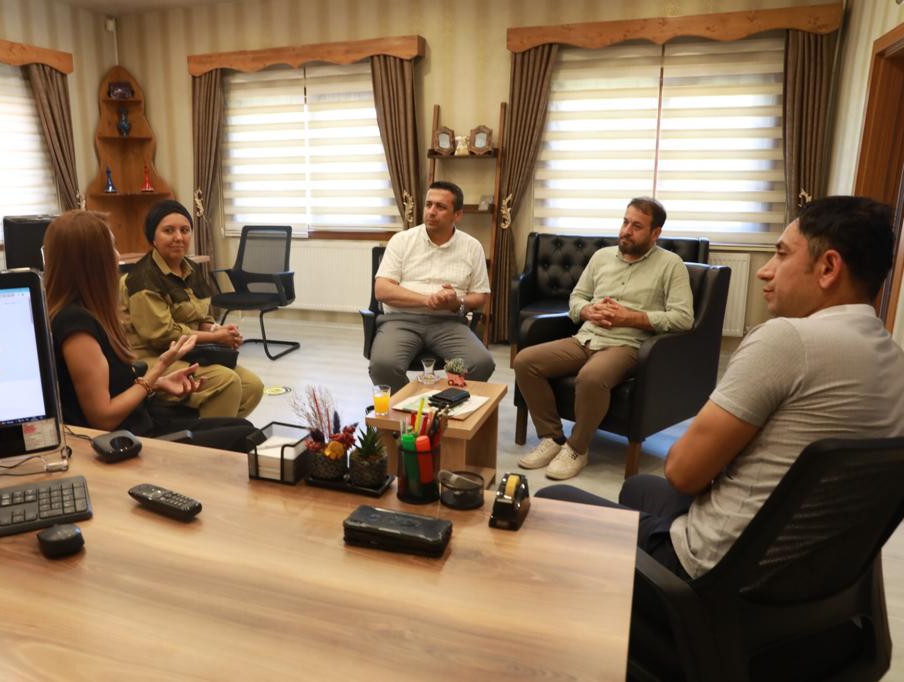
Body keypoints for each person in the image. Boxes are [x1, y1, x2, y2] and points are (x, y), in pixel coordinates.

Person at [537, 195, 904, 580]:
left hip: (713, 571)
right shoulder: (894, 361)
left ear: (828, 268)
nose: (765, 271)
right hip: (813, 576)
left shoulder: (784, 340)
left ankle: (631, 599)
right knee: (640, 488)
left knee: (550, 502)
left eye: (781, 254)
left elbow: (683, 472)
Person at [44, 209, 258, 452]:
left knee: (243, 426)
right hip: (128, 441)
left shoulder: (89, 313)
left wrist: (160, 383)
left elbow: (114, 387)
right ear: (92, 260)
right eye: (112, 248)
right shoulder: (76, 326)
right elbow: (103, 418)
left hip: (143, 422)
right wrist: (157, 371)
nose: (117, 256)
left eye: (184, 230)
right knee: (246, 436)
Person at [513, 197, 693, 480]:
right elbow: (577, 297)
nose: (626, 231)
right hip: (586, 337)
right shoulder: (601, 257)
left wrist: (631, 318)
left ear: (655, 233)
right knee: (525, 361)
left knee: (592, 377)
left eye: (636, 226)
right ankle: (552, 438)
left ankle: (577, 448)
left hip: (627, 346)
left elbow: (683, 318)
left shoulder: (671, 265)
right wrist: (588, 310)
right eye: (625, 222)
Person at [120, 199, 263, 420]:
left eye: (185, 230)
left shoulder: (191, 269)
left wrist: (219, 330)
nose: (179, 237)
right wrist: (215, 337)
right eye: (169, 230)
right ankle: (211, 439)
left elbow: (201, 316)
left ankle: (216, 431)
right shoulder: (142, 279)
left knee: (253, 387)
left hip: (190, 353)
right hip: (153, 359)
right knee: (226, 382)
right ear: (153, 238)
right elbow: (162, 335)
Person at [368, 181, 495, 393]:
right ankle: (410, 407)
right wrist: (427, 300)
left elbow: (480, 296)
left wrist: (457, 302)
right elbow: (382, 290)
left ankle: (446, 405)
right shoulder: (402, 240)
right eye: (428, 205)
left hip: (449, 322)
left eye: (441, 207)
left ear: (457, 215)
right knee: (383, 367)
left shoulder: (472, 247)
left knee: (481, 363)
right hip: (400, 321)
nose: (431, 212)